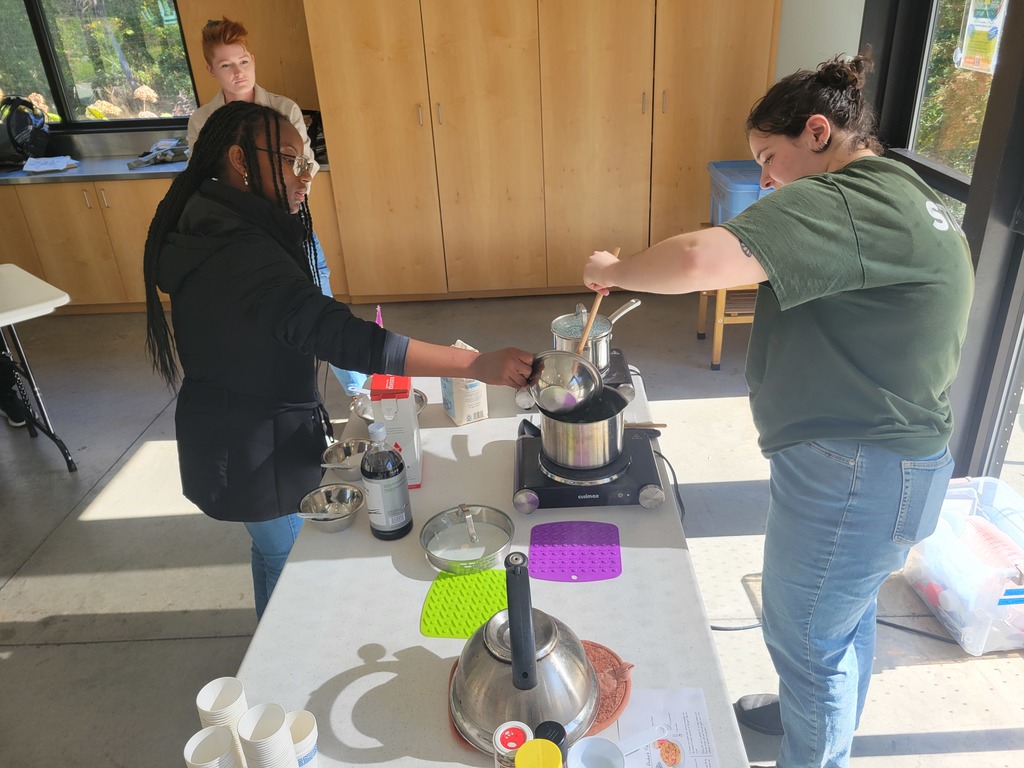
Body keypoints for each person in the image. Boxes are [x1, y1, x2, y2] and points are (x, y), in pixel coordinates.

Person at [583, 53, 974, 768]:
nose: (765, 177)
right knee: (837, 621)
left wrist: (612, 271)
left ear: (818, 133)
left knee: (809, 644)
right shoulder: (909, 197)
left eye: (770, 156)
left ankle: (812, 749)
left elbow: (703, 262)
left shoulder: (848, 200)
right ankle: (809, 723)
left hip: (858, 469)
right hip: (886, 461)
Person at [145, 101, 533, 618]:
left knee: (271, 553)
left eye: (308, 163)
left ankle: (267, 658)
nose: (307, 176)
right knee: (292, 571)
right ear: (239, 160)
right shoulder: (237, 252)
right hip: (253, 451)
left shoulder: (211, 221)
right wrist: (474, 364)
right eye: (291, 161)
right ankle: (278, 673)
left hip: (234, 433)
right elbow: (345, 338)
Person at [187, 16, 366, 395]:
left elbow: (306, 166)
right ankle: (285, 401)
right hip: (237, 239)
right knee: (258, 324)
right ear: (210, 69)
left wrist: (286, 186)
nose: (238, 73)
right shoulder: (204, 121)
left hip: (289, 226)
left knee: (322, 308)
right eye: (226, 65)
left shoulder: (283, 109)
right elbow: (202, 182)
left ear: (252, 58)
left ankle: (361, 393)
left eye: (244, 62)